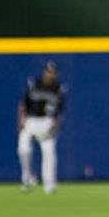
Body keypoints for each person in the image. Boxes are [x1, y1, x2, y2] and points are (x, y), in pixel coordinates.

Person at [17, 61, 66, 194]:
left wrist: (56, 125)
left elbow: (61, 111)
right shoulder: (34, 84)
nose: (50, 74)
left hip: (46, 121)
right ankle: (27, 178)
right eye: (48, 71)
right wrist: (21, 120)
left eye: (53, 72)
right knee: (23, 150)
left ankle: (49, 184)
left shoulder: (59, 88)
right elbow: (23, 104)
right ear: (44, 72)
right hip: (30, 120)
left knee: (48, 152)